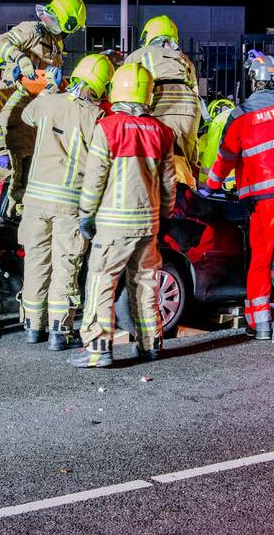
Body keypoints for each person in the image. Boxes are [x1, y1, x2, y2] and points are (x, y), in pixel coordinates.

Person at [70, 62, 176, 368]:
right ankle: (151, 343)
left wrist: (86, 215)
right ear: (147, 95)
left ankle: (99, 347)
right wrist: (165, 215)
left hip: (113, 226)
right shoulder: (162, 132)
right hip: (149, 224)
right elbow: (169, 182)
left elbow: (94, 180)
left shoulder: (107, 128)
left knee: (101, 281)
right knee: (144, 282)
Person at [206, 51, 274, 344]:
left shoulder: (239, 116)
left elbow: (225, 158)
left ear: (254, 81)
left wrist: (211, 184)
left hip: (263, 200)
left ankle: (261, 325)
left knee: (261, 258)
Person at [18, 53, 113, 351]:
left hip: (34, 201)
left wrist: (49, 90)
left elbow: (26, 116)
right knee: (65, 264)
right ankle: (60, 330)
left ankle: (33, 326)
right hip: (69, 203)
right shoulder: (96, 117)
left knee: (36, 262)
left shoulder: (49, 102)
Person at [0, 0, 86, 211]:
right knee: (11, 172)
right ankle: (1, 222)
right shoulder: (32, 30)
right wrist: (19, 57)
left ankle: (17, 224)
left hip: (33, 113)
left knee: (28, 170)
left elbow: (46, 78)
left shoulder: (56, 42)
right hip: (13, 109)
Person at [125, 15, 200, 185]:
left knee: (155, 160)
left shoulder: (137, 56)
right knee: (184, 160)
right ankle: (186, 198)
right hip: (188, 110)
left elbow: (126, 88)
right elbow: (195, 90)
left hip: (157, 106)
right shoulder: (183, 58)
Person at [196, 98, 236, 191]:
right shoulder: (238, 117)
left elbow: (210, 155)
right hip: (242, 181)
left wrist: (203, 183)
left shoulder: (218, 122)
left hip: (224, 184)